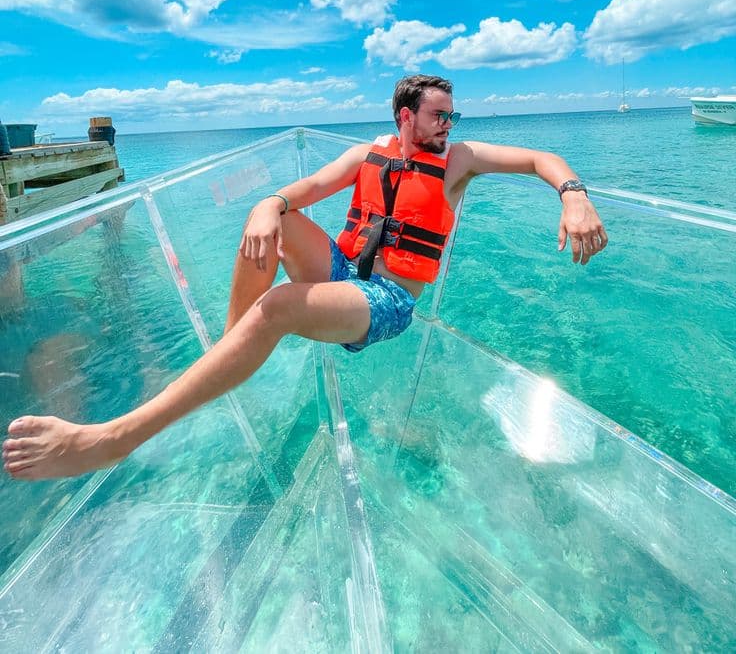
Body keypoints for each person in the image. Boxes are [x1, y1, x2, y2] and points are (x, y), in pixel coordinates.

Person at [3, 75, 607, 481]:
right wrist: (270, 202)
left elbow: (537, 160)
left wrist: (573, 196)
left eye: (454, 114)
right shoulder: (369, 152)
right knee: (272, 220)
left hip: (389, 300)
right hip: (345, 270)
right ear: (406, 116)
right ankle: (229, 354)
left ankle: (114, 438)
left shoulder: (459, 160)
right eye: (439, 114)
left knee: (281, 307)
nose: (450, 122)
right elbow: (307, 190)